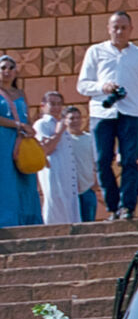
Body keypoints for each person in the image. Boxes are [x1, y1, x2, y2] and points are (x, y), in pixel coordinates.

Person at [77, 11, 138, 220]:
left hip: (131, 113)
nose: (119, 32)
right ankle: (112, 207)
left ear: (131, 29)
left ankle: (127, 207)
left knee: (130, 161)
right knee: (102, 161)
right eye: (115, 27)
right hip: (102, 112)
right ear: (109, 29)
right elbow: (82, 85)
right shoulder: (96, 51)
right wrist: (102, 87)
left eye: (123, 27)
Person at [0, 54, 41, 227]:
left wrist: (30, 129)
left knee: (26, 178)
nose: (7, 71)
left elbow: (27, 116)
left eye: (11, 68)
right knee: (6, 179)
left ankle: (29, 221)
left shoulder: (20, 93)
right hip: (4, 140)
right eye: (3, 68)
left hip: (22, 140)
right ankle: (7, 221)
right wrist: (18, 125)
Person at [34, 91, 81, 225]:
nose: (56, 107)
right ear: (43, 105)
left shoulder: (61, 123)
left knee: (69, 210)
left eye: (59, 104)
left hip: (67, 176)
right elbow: (45, 149)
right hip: (53, 172)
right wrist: (58, 132)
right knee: (54, 207)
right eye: (52, 104)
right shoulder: (42, 124)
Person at [64, 106, 98, 222]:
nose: (75, 121)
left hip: (88, 188)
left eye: (78, 118)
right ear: (65, 120)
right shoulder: (62, 141)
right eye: (71, 118)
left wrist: (96, 183)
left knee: (89, 224)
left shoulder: (90, 138)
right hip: (69, 190)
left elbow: (97, 163)